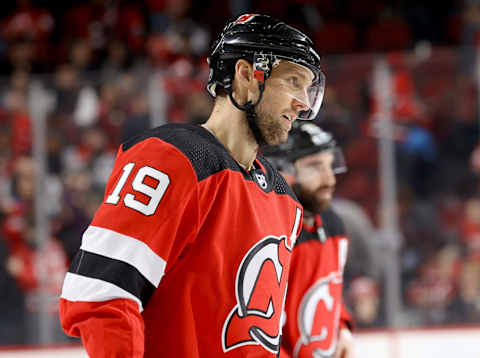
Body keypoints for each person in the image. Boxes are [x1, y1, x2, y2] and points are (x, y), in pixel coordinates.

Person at [59, 14, 326, 358]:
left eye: (308, 88)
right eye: (293, 81)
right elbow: (101, 291)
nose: (303, 101)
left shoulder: (284, 199)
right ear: (246, 75)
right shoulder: (171, 158)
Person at [263, 122, 354, 358]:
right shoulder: (266, 232)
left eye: (329, 165)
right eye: (315, 166)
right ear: (282, 172)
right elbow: (255, 323)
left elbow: (326, 288)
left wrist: (341, 328)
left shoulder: (332, 223)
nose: (329, 178)